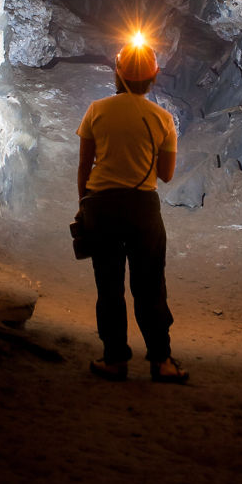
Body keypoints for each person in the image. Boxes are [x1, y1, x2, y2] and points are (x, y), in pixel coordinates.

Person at [76, 37, 188, 383]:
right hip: (142, 208)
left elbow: (84, 166)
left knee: (109, 285)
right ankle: (161, 361)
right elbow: (166, 175)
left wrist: (83, 206)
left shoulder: (96, 110)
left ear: (118, 74)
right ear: (152, 78)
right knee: (150, 285)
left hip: (101, 205)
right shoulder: (163, 119)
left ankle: (114, 359)